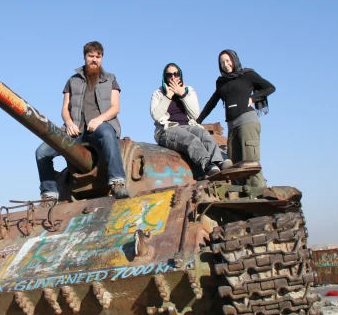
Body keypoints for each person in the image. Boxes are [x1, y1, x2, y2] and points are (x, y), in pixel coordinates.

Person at [35, 41, 130, 200]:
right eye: (91, 56)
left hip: (99, 127)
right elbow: (65, 108)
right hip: (74, 130)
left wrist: (100, 119)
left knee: (108, 134)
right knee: (42, 152)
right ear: (84, 57)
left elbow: (115, 107)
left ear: (101, 58)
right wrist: (70, 123)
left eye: (98, 56)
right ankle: (49, 194)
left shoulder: (110, 79)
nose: (94, 59)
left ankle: (117, 181)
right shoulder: (73, 81)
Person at [197, 49, 275, 188]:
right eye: (222, 62)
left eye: (228, 61)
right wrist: (197, 121)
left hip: (247, 122)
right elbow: (212, 102)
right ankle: (242, 199)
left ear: (234, 60)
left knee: (250, 163)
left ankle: (257, 197)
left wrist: (253, 98)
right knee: (235, 164)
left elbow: (269, 87)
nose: (226, 64)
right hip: (232, 126)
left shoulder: (247, 75)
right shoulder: (221, 82)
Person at [150, 63, 232, 179]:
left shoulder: (189, 91)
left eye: (176, 74)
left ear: (180, 76)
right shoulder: (158, 94)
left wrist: (182, 94)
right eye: (169, 75)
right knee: (190, 139)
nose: (173, 77)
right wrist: (168, 96)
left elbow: (195, 115)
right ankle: (208, 166)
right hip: (168, 130)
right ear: (165, 77)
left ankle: (219, 161)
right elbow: (156, 115)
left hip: (189, 126)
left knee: (203, 134)